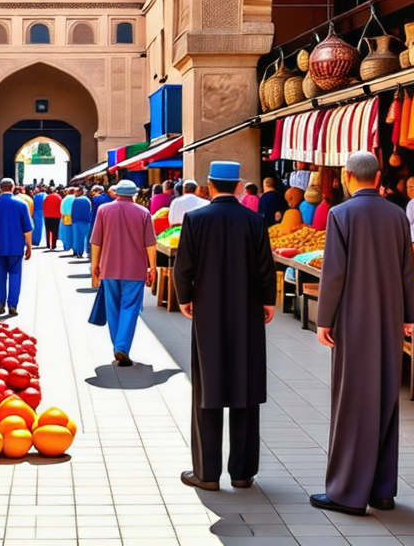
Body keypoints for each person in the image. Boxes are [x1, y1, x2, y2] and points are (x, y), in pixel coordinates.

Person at [312, 151, 414, 516]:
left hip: (354, 321)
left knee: (353, 402)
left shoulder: (341, 215)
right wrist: (408, 315)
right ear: (377, 176)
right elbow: (408, 269)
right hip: (389, 319)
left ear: (347, 175)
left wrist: (324, 319)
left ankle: (347, 493)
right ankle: (382, 491)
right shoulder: (398, 215)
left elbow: (335, 273)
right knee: (386, 397)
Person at [173, 161, 277, 492]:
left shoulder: (196, 219)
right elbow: (265, 267)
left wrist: (185, 297)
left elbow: (183, 267)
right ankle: (243, 472)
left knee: (208, 389)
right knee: (244, 388)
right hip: (247, 316)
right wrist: (268, 301)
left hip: (209, 316)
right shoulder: (254, 220)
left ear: (209, 185)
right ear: (237, 185)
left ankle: (206, 473)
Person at [89, 179, 156, 366]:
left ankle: (117, 346)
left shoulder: (104, 210)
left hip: (108, 267)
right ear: (134, 194)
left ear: (116, 193)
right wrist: (152, 267)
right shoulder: (144, 212)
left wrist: (94, 265)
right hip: (135, 269)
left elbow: (96, 241)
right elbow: (150, 244)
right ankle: (122, 346)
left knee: (112, 308)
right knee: (130, 307)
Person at [0, 178, 33, 316]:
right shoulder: (22, 205)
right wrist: (29, 246)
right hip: (16, 246)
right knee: (15, 274)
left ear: (0, 188)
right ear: (13, 188)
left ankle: (0, 303)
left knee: (0, 275)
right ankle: (12, 305)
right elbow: (27, 229)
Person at [69, 187, 93, 258]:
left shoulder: (75, 200)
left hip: (76, 222)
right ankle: (81, 252)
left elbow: (72, 211)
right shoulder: (87, 200)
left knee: (76, 237)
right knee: (84, 237)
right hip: (85, 221)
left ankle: (76, 251)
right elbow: (89, 211)